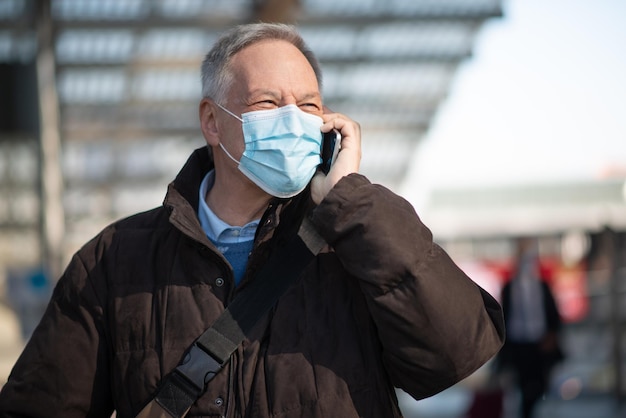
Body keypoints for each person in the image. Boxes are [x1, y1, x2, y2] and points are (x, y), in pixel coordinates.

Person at [0, 23, 505, 418]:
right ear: (212, 121)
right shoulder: (115, 258)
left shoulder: (357, 234)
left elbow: (455, 351)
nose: (294, 119)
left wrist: (349, 200)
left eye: (308, 105)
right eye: (267, 102)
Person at [498, 237, 564, 418]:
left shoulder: (542, 286)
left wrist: (552, 336)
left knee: (539, 385)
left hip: (539, 343)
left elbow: (554, 314)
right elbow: (503, 315)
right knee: (523, 386)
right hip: (518, 344)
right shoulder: (510, 287)